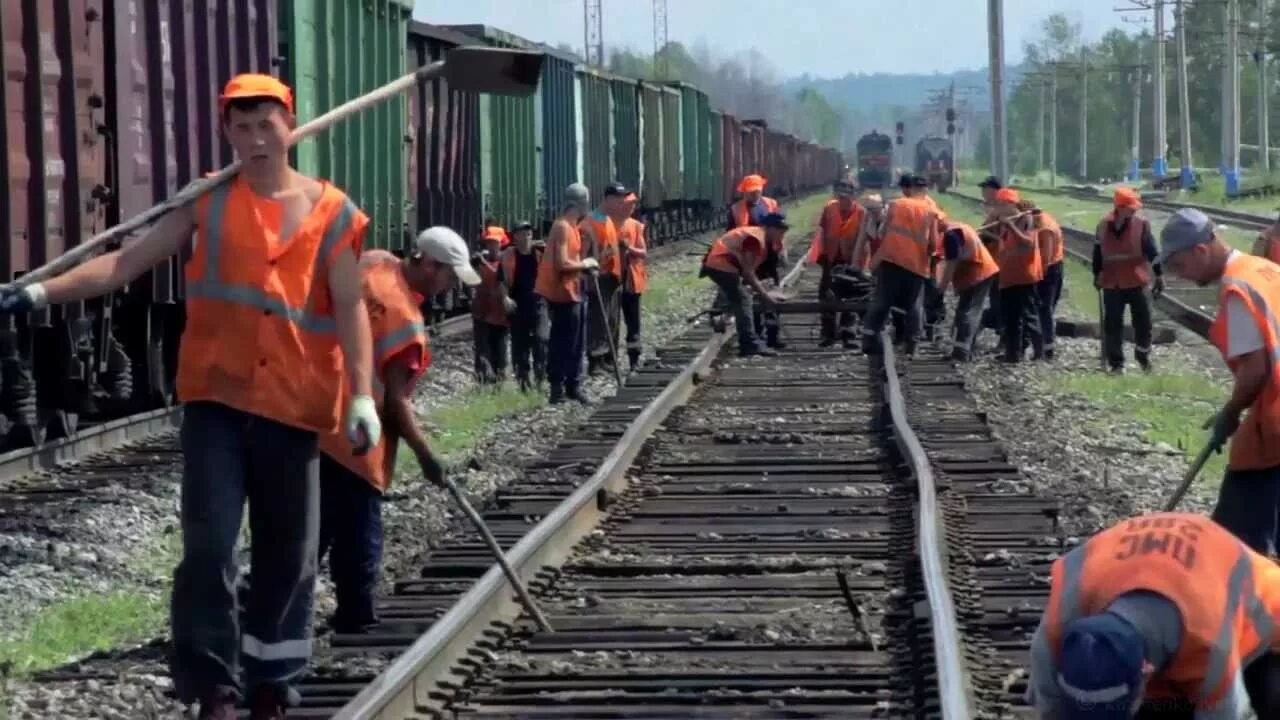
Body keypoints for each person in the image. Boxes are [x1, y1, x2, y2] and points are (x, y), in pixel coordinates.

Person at [0, 74, 381, 718]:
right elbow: (125, 264)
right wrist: (39, 292)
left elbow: (351, 309)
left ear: (291, 126)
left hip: (295, 405)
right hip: (217, 403)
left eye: (266, 125)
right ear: (227, 132)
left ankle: (273, 680)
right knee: (209, 547)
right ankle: (214, 686)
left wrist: (363, 398)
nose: (255, 140)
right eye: (241, 127)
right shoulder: (208, 201)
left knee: (289, 556)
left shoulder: (332, 212)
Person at [316, 228, 478, 635]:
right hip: (357, 435)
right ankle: (356, 614)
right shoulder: (406, 323)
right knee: (359, 531)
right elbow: (395, 403)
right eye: (450, 276)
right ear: (429, 264)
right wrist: (428, 457)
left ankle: (262, 606)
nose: (451, 286)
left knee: (311, 525)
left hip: (313, 412)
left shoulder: (374, 262)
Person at [1026, 511, 1280, 719]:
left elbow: (1224, 713)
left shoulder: (1212, 647)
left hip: (1265, 628)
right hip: (1169, 602)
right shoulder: (1060, 620)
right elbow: (1049, 705)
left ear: (1146, 673)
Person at [1158, 208, 1280, 555]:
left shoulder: (1237, 289)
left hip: (1273, 426)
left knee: (1239, 537)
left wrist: (1231, 412)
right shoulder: (1267, 269)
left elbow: (1257, 368)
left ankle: (1243, 596)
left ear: (1200, 251)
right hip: (1271, 421)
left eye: (1180, 266)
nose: (1180, 275)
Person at [859, 174, 940, 357]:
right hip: (916, 265)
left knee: (882, 301)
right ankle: (912, 346)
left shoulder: (896, 205)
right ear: (925, 191)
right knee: (913, 306)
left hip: (892, 260)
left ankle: (868, 340)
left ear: (909, 189)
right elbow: (934, 245)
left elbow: (882, 233)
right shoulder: (930, 211)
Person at [537, 183, 599, 404]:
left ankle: (573, 385)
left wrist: (585, 267)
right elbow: (562, 263)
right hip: (563, 294)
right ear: (581, 203)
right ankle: (557, 388)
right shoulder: (563, 226)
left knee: (577, 342)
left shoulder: (573, 226)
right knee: (563, 341)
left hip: (574, 291)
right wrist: (585, 264)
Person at [1094, 187, 1164, 373]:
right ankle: (1117, 363)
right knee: (1113, 324)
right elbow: (1097, 254)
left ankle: (1142, 355)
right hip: (1112, 282)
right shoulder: (1102, 225)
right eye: (1131, 207)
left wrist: (1159, 275)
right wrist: (1097, 275)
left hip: (1137, 280)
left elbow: (1152, 252)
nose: (1134, 210)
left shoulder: (1141, 225)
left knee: (1143, 322)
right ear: (1120, 207)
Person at [700, 213, 789, 357]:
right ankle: (749, 344)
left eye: (784, 230)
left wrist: (757, 289)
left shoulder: (759, 237)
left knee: (740, 296)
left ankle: (721, 315)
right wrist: (765, 296)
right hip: (721, 265)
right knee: (743, 300)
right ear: (769, 228)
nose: (782, 233)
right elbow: (748, 273)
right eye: (779, 229)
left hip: (721, 265)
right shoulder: (756, 240)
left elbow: (747, 271)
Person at [808, 179, 864, 348]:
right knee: (827, 295)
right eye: (840, 196)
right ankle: (828, 333)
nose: (843, 200)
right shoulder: (829, 209)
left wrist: (857, 263)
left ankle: (848, 332)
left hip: (851, 259)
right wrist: (821, 255)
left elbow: (863, 239)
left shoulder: (861, 212)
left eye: (846, 196)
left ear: (853, 196)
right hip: (830, 258)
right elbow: (823, 232)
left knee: (852, 295)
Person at [992, 188, 1045, 362]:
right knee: (1011, 318)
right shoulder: (1006, 223)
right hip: (1009, 277)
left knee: (1028, 314)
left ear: (1008, 204)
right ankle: (1013, 354)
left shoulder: (1026, 219)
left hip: (1024, 275)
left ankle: (1040, 353)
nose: (997, 209)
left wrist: (1011, 226)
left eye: (999, 205)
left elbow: (1029, 243)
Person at [937, 217, 1000, 362]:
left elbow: (951, 265)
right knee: (964, 310)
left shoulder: (952, 235)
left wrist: (941, 289)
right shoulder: (956, 228)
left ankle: (962, 351)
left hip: (979, 273)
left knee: (969, 311)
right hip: (975, 272)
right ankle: (962, 348)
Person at [581, 183, 625, 377]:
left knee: (612, 319)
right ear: (608, 199)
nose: (621, 203)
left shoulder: (607, 220)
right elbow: (582, 256)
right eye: (618, 199)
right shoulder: (589, 223)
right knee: (599, 319)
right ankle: (596, 360)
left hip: (612, 277)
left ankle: (607, 357)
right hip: (599, 278)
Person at [504, 221, 548, 392]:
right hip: (518, 304)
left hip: (539, 302)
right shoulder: (509, 256)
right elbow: (502, 280)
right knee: (520, 345)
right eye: (523, 233)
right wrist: (505, 298)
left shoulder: (540, 253)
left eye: (529, 233)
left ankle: (540, 376)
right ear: (515, 236)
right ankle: (523, 381)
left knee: (541, 339)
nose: (527, 236)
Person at [471, 225, 514, 384]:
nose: (491, 246)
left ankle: (499, 383)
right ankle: (483, 382)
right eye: (489, 242)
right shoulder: (482, 261)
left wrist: (483, 263)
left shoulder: (506, 261)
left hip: (500, 314)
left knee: (500, 352)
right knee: (482, 350)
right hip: (482, 312)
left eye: (494, 242)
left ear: (501, 243)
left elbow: (501, 279)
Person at [610, 191, 648, 370]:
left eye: (633, 205)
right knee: (613, 321)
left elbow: (643, 252)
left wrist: (629, 248)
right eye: (629, 204)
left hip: (632, 280)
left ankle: (634, 358)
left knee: (633, 322)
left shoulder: (636, 226)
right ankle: (611, 359)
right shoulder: (610, 225)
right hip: (614, 279)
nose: (632, 207)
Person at [1029, 201, 1066, 360]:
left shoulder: (1044, 228)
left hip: (1049, 270)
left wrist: (1036, 277)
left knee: (1044, 309)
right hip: (1052, 267)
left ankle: (1047, 350)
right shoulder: (1044, 219)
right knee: (1045, 309)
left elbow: (1046, 258)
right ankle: (1045, 347)